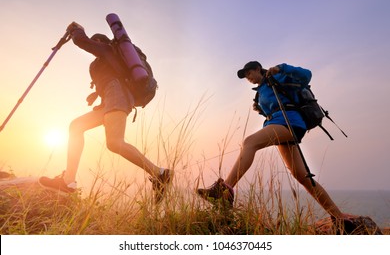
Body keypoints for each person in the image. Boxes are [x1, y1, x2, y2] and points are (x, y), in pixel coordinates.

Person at [39, 22, 172, 203]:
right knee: (76, 126)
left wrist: (76, 30)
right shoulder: (106, 62)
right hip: (112, 97)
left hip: (118, 94)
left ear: (103, 42)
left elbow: (82, 42)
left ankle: (161, 174)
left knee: (115, 142)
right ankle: (68, 182)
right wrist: (97, 94)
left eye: (97, 42)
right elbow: (108, 79)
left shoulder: (108, 49)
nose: (95, 47)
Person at [197, 61, 350, 220]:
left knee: (249, 143)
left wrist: (282, 68)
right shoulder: (260, 92)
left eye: (249, 73)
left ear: (257, 69)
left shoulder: (277, 77)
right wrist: (261, 109)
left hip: (289, 123)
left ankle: (224, 191)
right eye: (245, 76)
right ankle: (338, 216)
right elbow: (275, 107)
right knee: (303, 178)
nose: (247, 78)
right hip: (279, 125)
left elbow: (307, 75)